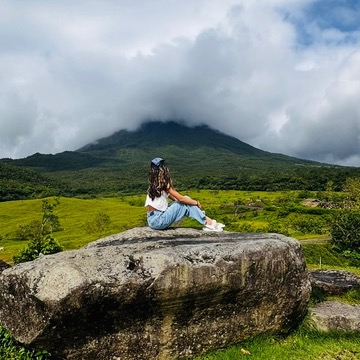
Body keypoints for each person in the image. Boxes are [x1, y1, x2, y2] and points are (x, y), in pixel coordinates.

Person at [145, 157, 225, 231]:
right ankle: (209, 223)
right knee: (184, 202)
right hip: (158, 220)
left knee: (186, 200)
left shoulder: (154, 184)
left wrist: (189, 202)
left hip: (152, 220)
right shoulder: (164, 184)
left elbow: (176, 199)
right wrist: (196, 203)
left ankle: (208, 221)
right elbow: (181, 199)